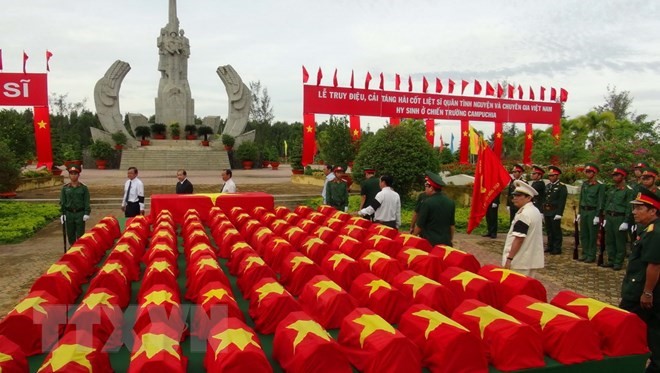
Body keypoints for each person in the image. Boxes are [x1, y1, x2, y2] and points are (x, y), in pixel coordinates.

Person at [619, 188, 660, 373]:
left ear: (653, 211)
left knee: (629, 327)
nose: (634, 212)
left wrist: (647, 292)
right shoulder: (648, 229)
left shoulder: (655, 232)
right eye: (634, 208)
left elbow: (654, 266)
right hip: (638, 289)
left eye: (639, 208)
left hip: (641, 294)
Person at [502, 180, 544, 277]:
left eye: (519, 196)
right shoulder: (534, 210)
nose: (515, 198)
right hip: (530, 260)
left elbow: (519, 238)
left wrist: (509, 259)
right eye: (515, 195)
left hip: (519, 261)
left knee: (515, 289)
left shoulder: (524, 214)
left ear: (529, 197)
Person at [601, 166, 634, 270]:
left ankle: (618, 262)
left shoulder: (628, 190)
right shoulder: (612, 189)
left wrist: (626, 221)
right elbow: (607, 203)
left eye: (617, 175)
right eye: (614, 175)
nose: (615, 177)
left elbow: (629, 207)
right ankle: (611, 260)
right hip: (610, 217)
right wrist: (605, 217)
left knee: (619, 241)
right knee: (609, 240)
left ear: (623, 176)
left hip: (620, 218)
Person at [414, 171, 455, 246]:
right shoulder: (450, 202)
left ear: (431, 188)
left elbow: (419, 225)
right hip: (446, 242)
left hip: (430, 243)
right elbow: (451, 225)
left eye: (426, 186)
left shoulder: (427, 203)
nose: (425, 189)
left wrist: (412, 237)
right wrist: (450, 239)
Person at [577, 163, 605, 263]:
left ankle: (591, 254)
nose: (587, 173)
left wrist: (597, 215)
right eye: (586, 171)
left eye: (590, 172)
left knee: (592, 234)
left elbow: (600, 201)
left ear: (594, 173)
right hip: (584, 210)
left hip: (593, 211)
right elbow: (581, 198)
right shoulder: (585, 184)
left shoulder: (600, 185)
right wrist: (579, 212)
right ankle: (584, 253)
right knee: (584, 234)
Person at [60, 165, 91, 246]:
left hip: (80, 213)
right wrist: (62, 214)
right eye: (71, 173)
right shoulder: (65, 188)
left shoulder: (83, 188)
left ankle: (80, 249)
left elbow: (86, 201)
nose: (73, 175)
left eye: (75, 173)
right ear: (69, 175)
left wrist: (87, 213)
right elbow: (62, 202)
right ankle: (73, 249)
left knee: (80, 234)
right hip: (69, 213)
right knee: (70, 234)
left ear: (78, 175)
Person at [543, 166, 568, 255]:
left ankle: (557, 247)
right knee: (549, 230)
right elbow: (545, 199)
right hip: (547, 211)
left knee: (556, 230)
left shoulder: (561, 187)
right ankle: (550, 246)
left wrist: (559, 213)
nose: (551, 177)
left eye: (553, 176)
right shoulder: (548, 186)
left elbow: (562, 201)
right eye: (549, 176)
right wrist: (543, 211)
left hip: (555, 211)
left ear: (557, 176)